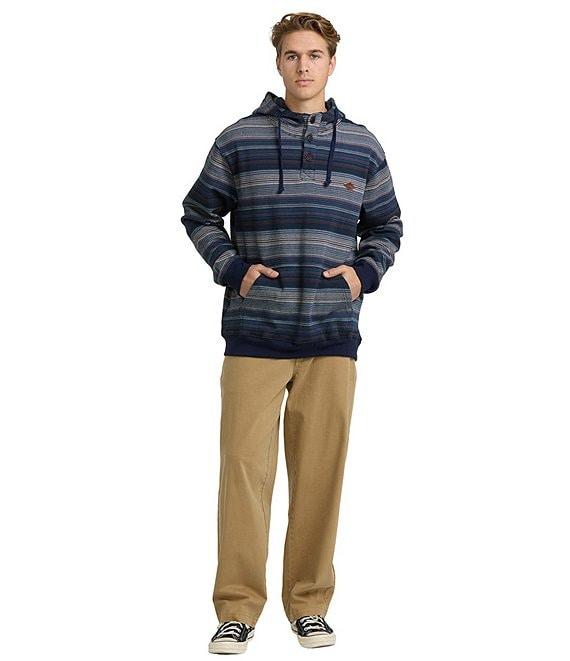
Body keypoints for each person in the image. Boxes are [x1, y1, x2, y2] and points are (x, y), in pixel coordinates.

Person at [180, 12, 403, 654]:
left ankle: (309, 604)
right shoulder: (238, 139)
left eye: (314, 55)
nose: (303, 66)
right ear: (277, 62)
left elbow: (387, 225)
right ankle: (236, 609)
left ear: (332, 62)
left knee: (320, 477)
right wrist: (232, 268)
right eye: (291, 55)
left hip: (332, 336)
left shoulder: (362, 146)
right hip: (254, 334)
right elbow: (198, 213)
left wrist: (363, 273)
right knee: (243, 476)